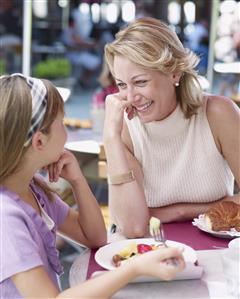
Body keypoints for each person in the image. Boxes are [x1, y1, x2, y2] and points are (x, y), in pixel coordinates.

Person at [0, 73, 185, 298]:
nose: (66, 132)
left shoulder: (33, 190)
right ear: (39, 141)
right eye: (62, 123)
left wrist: (78, 181)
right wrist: (135, 268)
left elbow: (94, 237)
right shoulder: (6, 216)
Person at [103, 17, 240, 238]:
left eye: (140, 82)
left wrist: (180, 211)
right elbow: (133, 228)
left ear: (174, 73)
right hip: (150, 252)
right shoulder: (125, 128)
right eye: (121, 84)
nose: (130, 97)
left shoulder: (218, 114)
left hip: (220, 247)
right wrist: (111, 138)